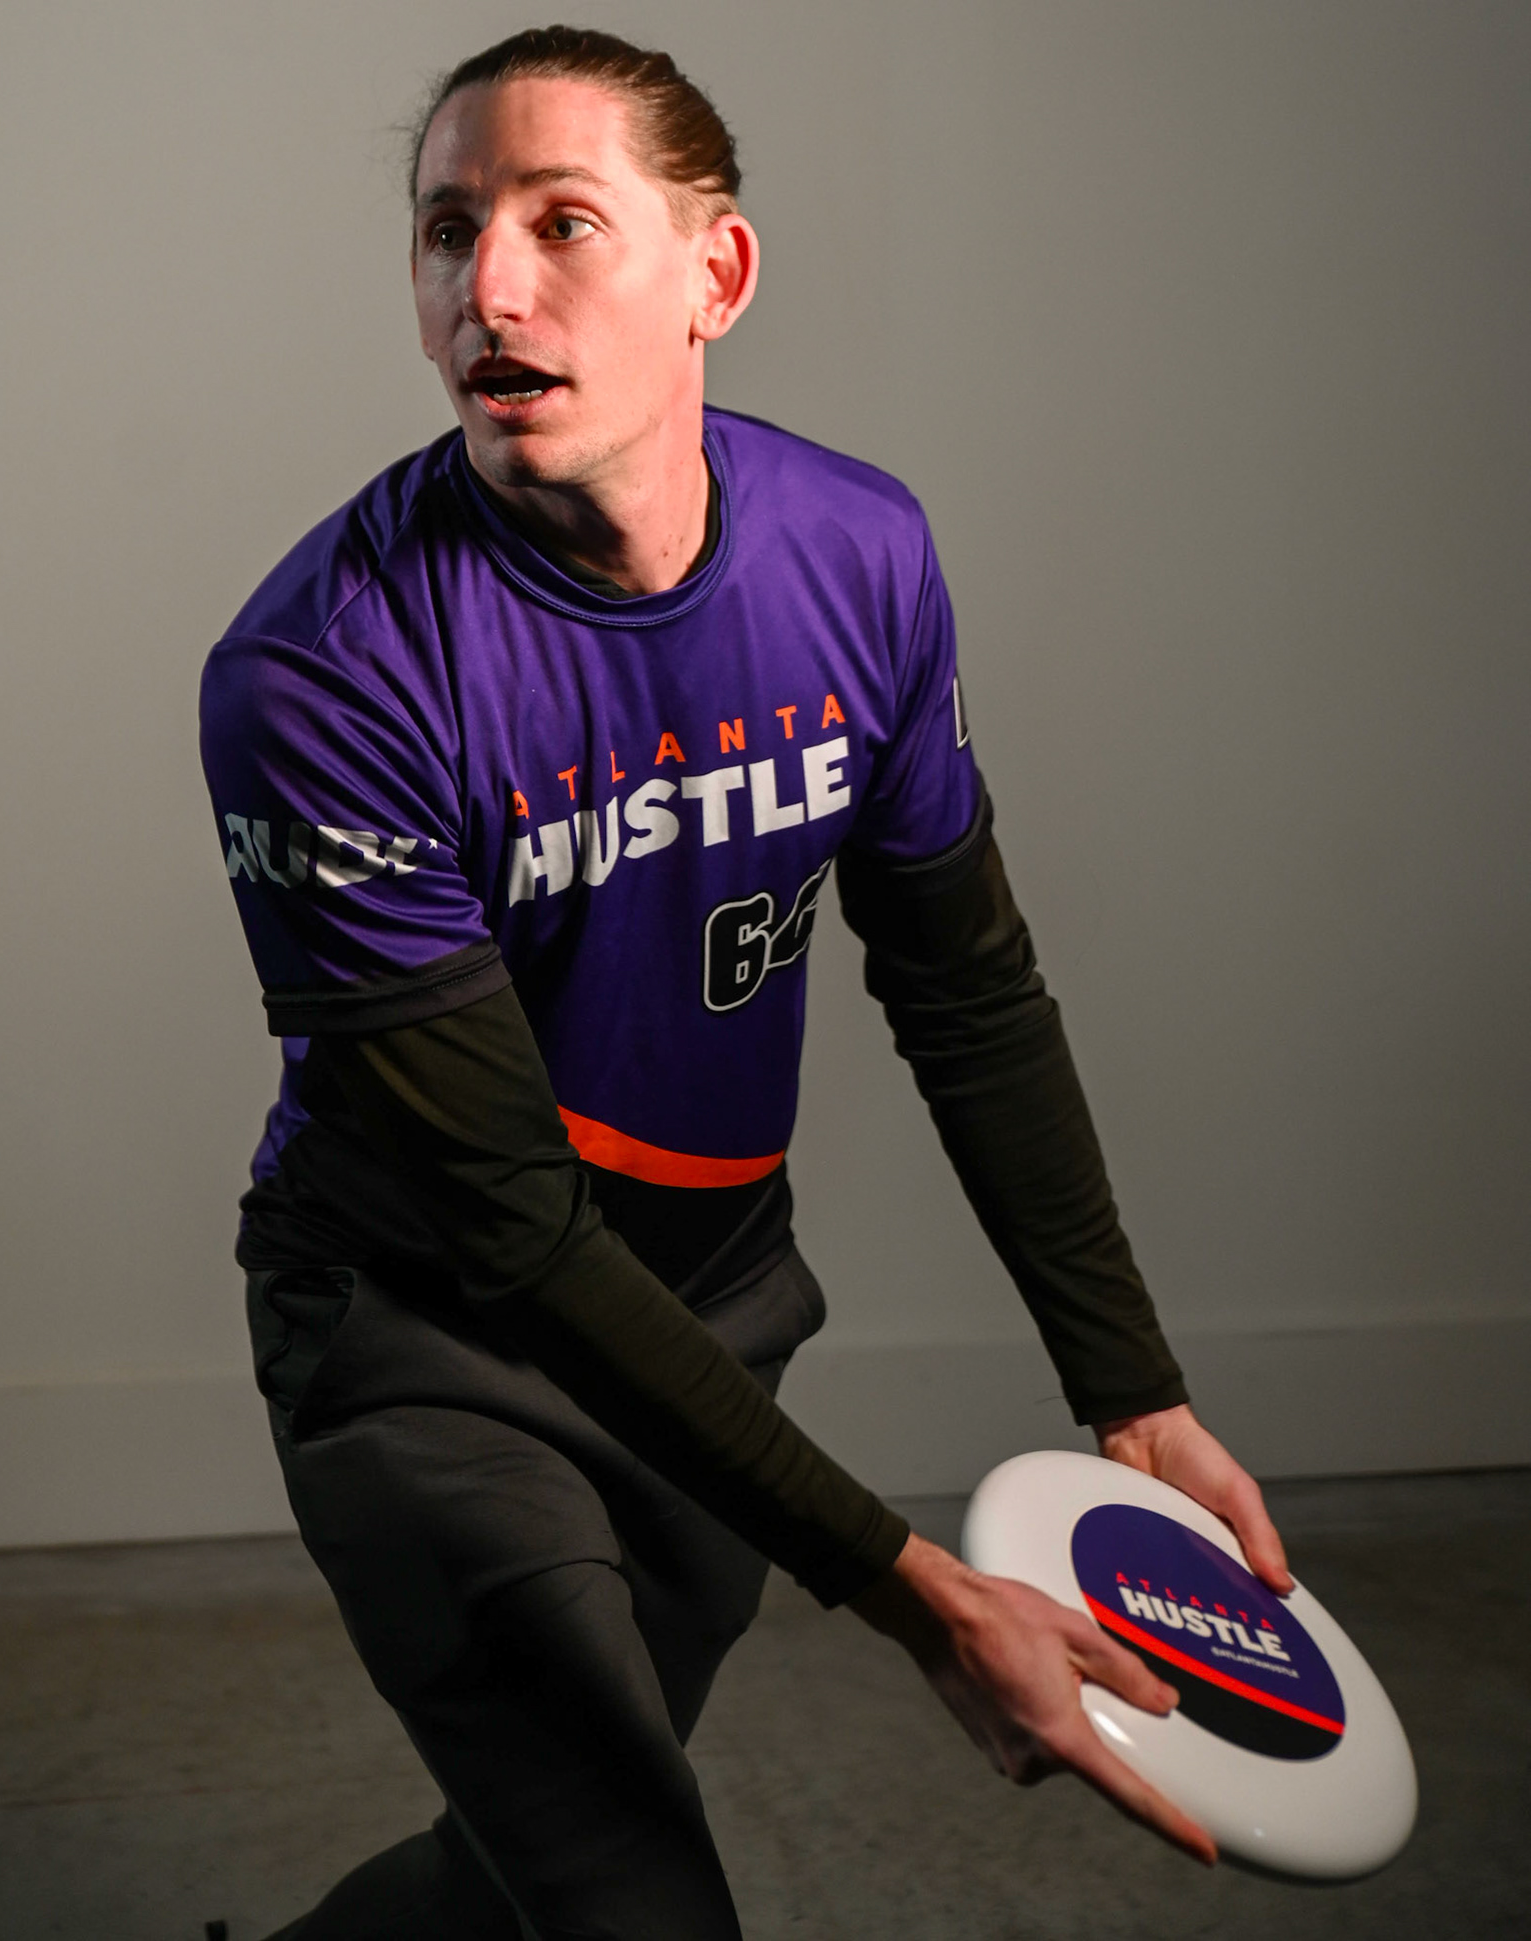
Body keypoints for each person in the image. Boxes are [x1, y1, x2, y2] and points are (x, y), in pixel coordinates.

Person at [199, 26, 1292, 1939]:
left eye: (561, 222)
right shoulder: (321, 674)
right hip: (427, 1337)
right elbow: (518, 1227)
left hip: (720, 1306)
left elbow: (967, 994)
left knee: (518, 1886)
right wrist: (919, 1596)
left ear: (716, 274)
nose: (489, 287)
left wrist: (1133, 1392)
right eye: (448, 230)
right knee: (632, 1898)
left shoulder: (862, 556)